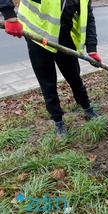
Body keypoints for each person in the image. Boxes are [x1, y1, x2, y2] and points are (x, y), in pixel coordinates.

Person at [1, 0, 101, 137]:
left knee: (74, 78)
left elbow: (88, 17)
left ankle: (87, 107)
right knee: (48, 84)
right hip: (38, 38)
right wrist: (9, 14)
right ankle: (58, 122)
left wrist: (92, 49)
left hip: (65, 40)